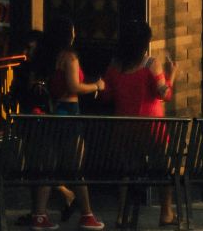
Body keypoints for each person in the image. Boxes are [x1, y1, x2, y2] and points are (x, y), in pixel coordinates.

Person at [31, 16, 105, 229]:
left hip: (51, 113)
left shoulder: (45, 56)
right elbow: (74, 86)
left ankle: (39, 215)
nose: (75, 35)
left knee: (48, 166)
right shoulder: (70, 57)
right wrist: (96, 86)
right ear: (68, 34)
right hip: (69, 112)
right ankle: (87, 214)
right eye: (72, 31)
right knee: (76, 166)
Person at [105, 19, 177, 227]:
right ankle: (166, 213)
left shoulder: (115, 66)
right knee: (163, 167)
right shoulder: (150, 64)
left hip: (124, 131)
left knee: (126, 172)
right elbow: (165, 94)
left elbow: (107, 96)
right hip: (152, 129)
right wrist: (171, 76)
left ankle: (120, 215)